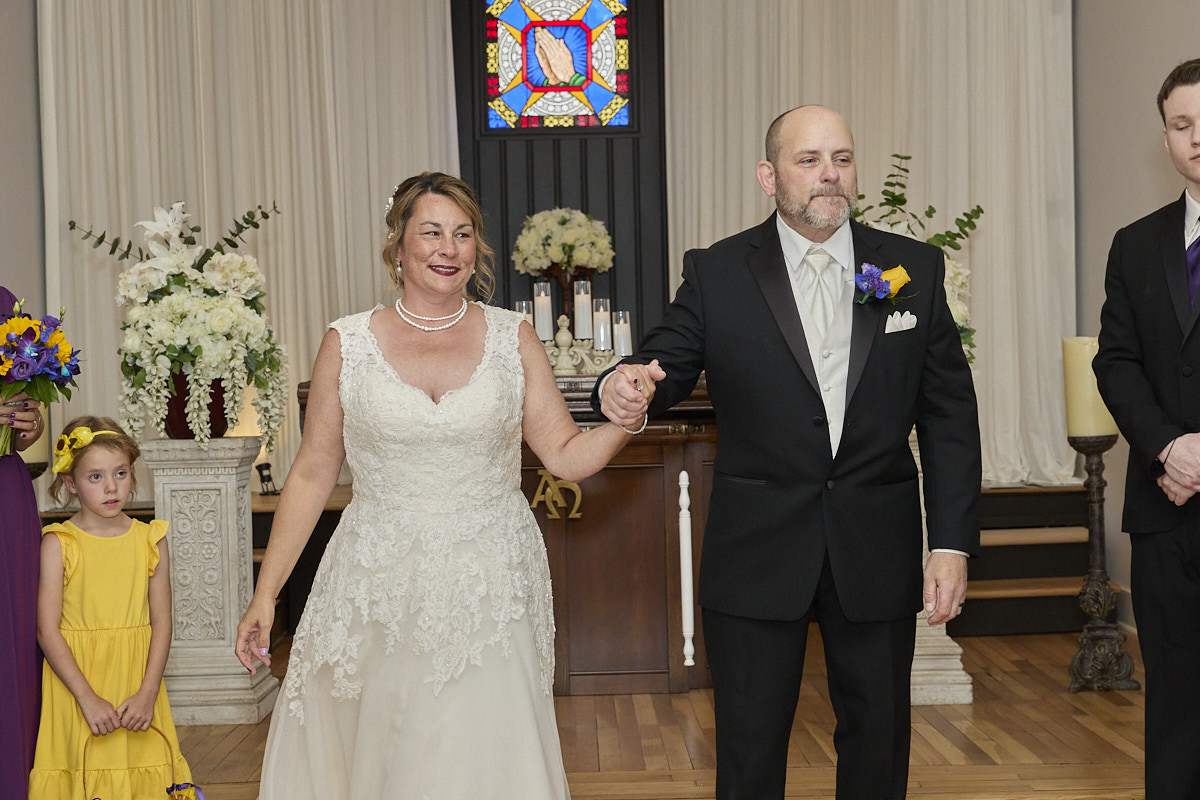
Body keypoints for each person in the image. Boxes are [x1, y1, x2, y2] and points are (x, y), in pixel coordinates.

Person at [594, 105, 981, 800]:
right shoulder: (718, 271)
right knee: (749, 749)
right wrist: (623, 383)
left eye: (842, 158)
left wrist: (950, 543)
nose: (830, 174)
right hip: (757, 548)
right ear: (769, 177)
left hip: (876, 545)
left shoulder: (911, 268)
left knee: (878, 741)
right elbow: (662, 362)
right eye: (809, 160)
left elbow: (949, 414)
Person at [235, 171, 662, 799]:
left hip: (488, 581)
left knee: (481, 751)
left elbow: (567, 456)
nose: (448, 248)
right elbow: (311, 473)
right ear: (398, 245)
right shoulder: (347, 343)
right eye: (431, 232)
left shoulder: (512, 337)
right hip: (375, 582)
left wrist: (625, 420)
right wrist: (266, 594)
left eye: (463, 234)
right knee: (384, 750)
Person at [1094, 57, 1200, 800]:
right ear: (1164, 138)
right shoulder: (1135, 243)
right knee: (1174, 700)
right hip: (1166, 508)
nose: (1197, 137)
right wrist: (1169, 446)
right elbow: (1116, 363)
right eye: (1182, 124)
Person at [29, 417, 195, 799]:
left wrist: (148, 693)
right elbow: (46, 631)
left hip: (136, 683)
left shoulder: (150, 539)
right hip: (77, 686)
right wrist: (87, 698)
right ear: (71, 483)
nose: (111, 487)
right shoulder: (58, 543)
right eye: (95, 477)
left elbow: (162, 622)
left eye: (120, 473)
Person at [0, 285, 47, 800]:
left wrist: (27, 423)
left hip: (5, 497)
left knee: (11, 641)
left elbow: (23, 416)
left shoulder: (4, 304)